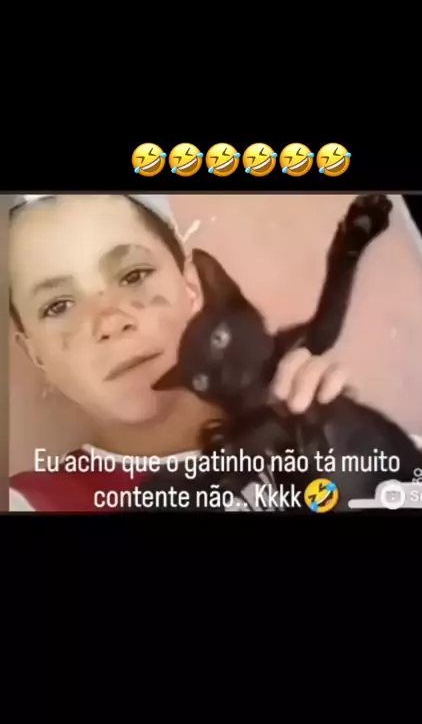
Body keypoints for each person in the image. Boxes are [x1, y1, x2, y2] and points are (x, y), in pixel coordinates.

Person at [9, 194, 350, 512]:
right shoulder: (31, 504)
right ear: (35, 353)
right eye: (58, 306)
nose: (110, 321)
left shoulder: (314, 435)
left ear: (192, 287)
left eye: (133, 275)